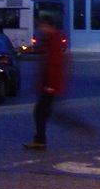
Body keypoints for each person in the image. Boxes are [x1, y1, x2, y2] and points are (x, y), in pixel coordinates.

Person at [24, 16, 92, 149]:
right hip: (48, 84)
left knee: (44, 113)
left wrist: (50, 85)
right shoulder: (50, 39)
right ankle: (41, 139)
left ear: (49, 26)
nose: (40, 29)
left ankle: (79, 129)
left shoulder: (54, 39)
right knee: (47, 113)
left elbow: (54, 64)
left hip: (49, 85)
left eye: (42, 26)